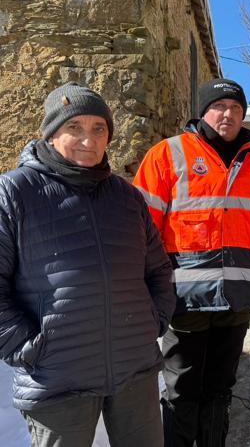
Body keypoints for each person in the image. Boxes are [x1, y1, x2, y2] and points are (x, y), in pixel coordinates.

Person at [0, 82, 175, 447]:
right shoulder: (14, 193)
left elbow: (158, 269)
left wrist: (153, 321)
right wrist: (29, 346)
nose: (88, 139)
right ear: (50, 134)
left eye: (99, 129)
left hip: (134, 370)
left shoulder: (128, 198)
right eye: (74, 127)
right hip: (58, 378)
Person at [133, 78, 250, 447]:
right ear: (203, 111)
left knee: (221, 387)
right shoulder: (167, 155)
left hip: (238, 298)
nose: (228, 114)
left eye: (236, 108)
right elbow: (141, 228)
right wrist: (142, 286)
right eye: (219, 106)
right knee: (183, 386)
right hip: (184, 297)